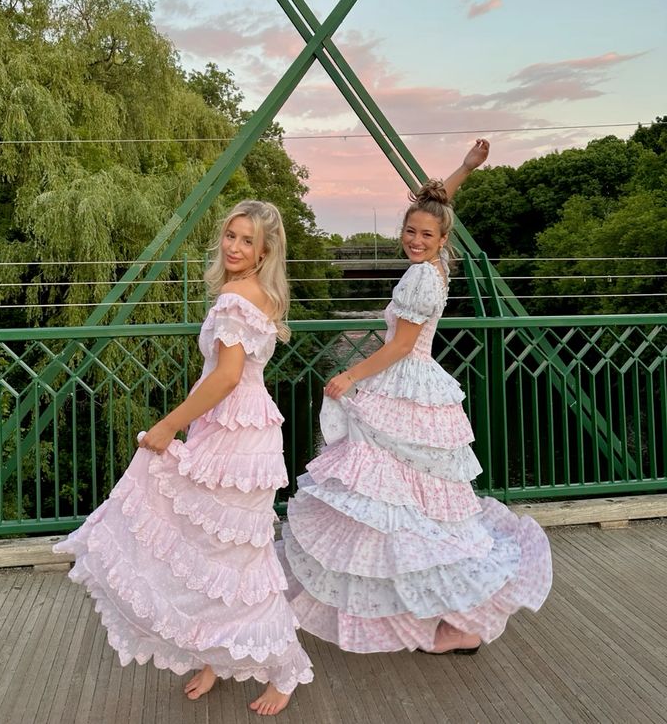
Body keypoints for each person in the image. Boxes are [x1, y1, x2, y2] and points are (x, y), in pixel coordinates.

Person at [279, 141, 552, 656]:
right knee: (411, 504)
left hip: (403, 381)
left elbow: (401, 345)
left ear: (442, 239)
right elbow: (436, 205)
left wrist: (350, 375)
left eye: (426, 235)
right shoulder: (439, 263)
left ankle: (451, 615)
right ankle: (428, 606)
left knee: (396, 504)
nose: (416, 239)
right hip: (417, 387)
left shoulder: (422, 275)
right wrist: (465, 169)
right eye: (410, 231)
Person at [54, 201, 313, 717]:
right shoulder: (261, 294)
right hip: (247, 431)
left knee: (232, 559)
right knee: (215, 552)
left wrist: (169, 424)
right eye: (230, 236)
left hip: (234, 436)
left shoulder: (235, 299)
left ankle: (285, 668)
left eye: (247, 241)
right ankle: (214, 654)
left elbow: (227, 376)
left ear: (265, 251)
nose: (234, 247)